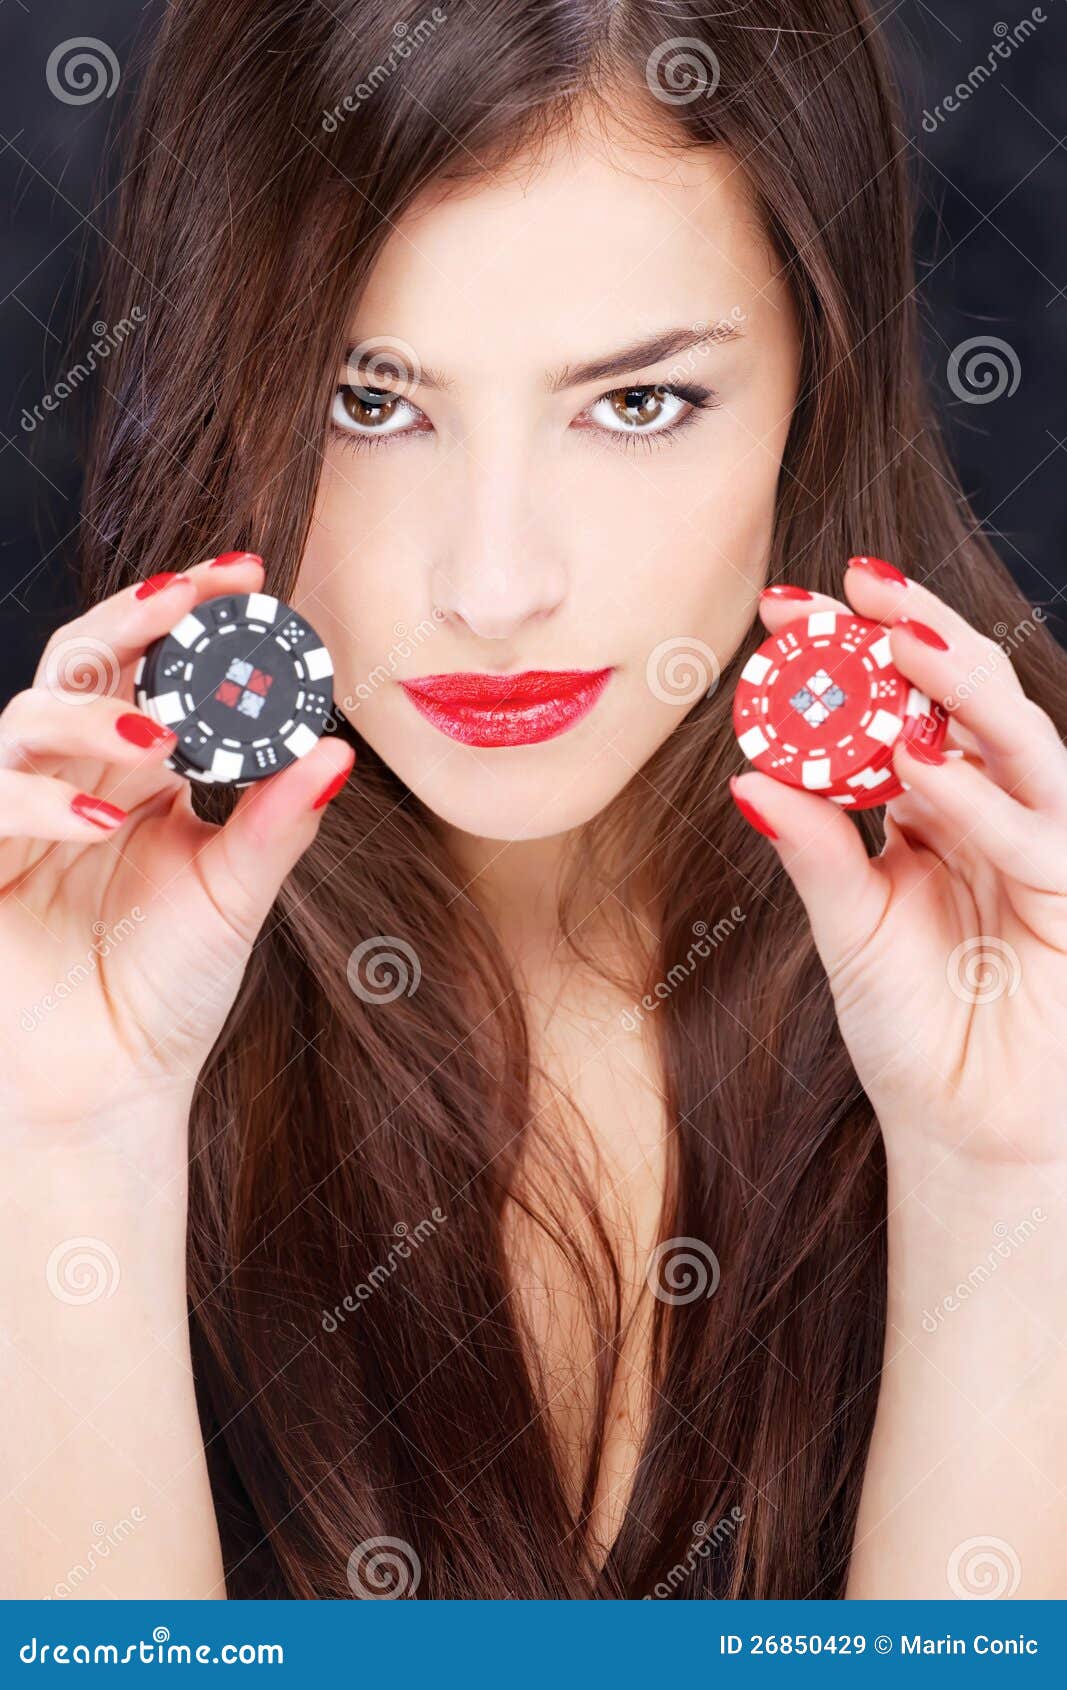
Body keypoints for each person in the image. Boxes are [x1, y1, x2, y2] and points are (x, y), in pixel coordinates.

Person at [3, 0, 1066, 1600]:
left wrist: (1007, 1180)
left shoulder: (1034, 944)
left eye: (636, 403)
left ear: (817, 388)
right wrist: (66, 1141)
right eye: (371, 401)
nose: (492, 585)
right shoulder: (47, 970)